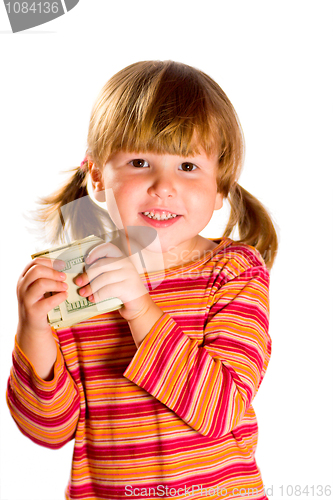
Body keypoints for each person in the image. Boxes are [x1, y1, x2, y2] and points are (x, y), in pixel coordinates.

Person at [7, 60, 278, 500]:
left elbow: (221, 408)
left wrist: (141, 308)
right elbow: (48, 430)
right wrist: (33, 330)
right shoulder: (78, 282)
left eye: (188, 166)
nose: (163, 185)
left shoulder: (234, 272)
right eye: (139, 161)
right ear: (96, 176)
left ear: (221, 189)